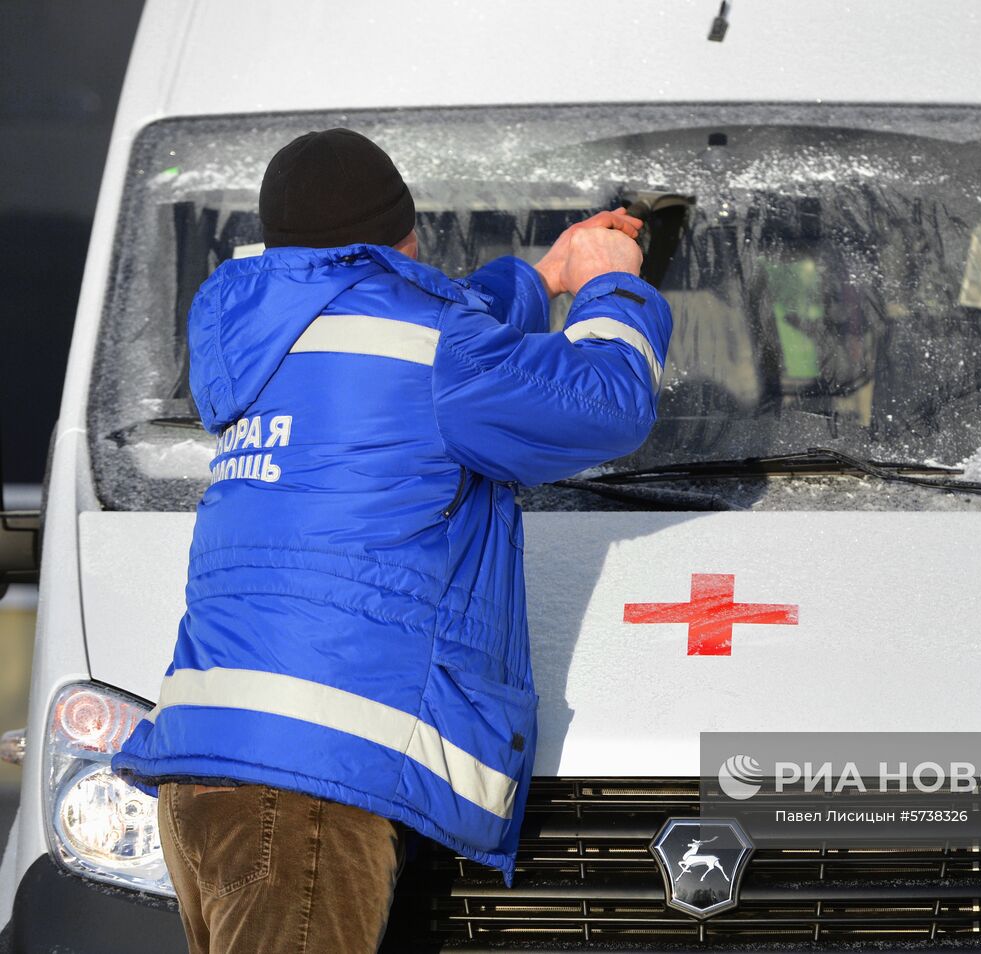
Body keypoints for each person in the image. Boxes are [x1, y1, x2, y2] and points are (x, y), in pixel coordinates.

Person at [111, 128, 672, 953]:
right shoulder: (435, 346)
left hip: (206, 772)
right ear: (406, 240)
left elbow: (428, 340)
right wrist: (611, 288)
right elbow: (608, 402)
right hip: (312, 791)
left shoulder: (260, 336)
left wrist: (540, 277)